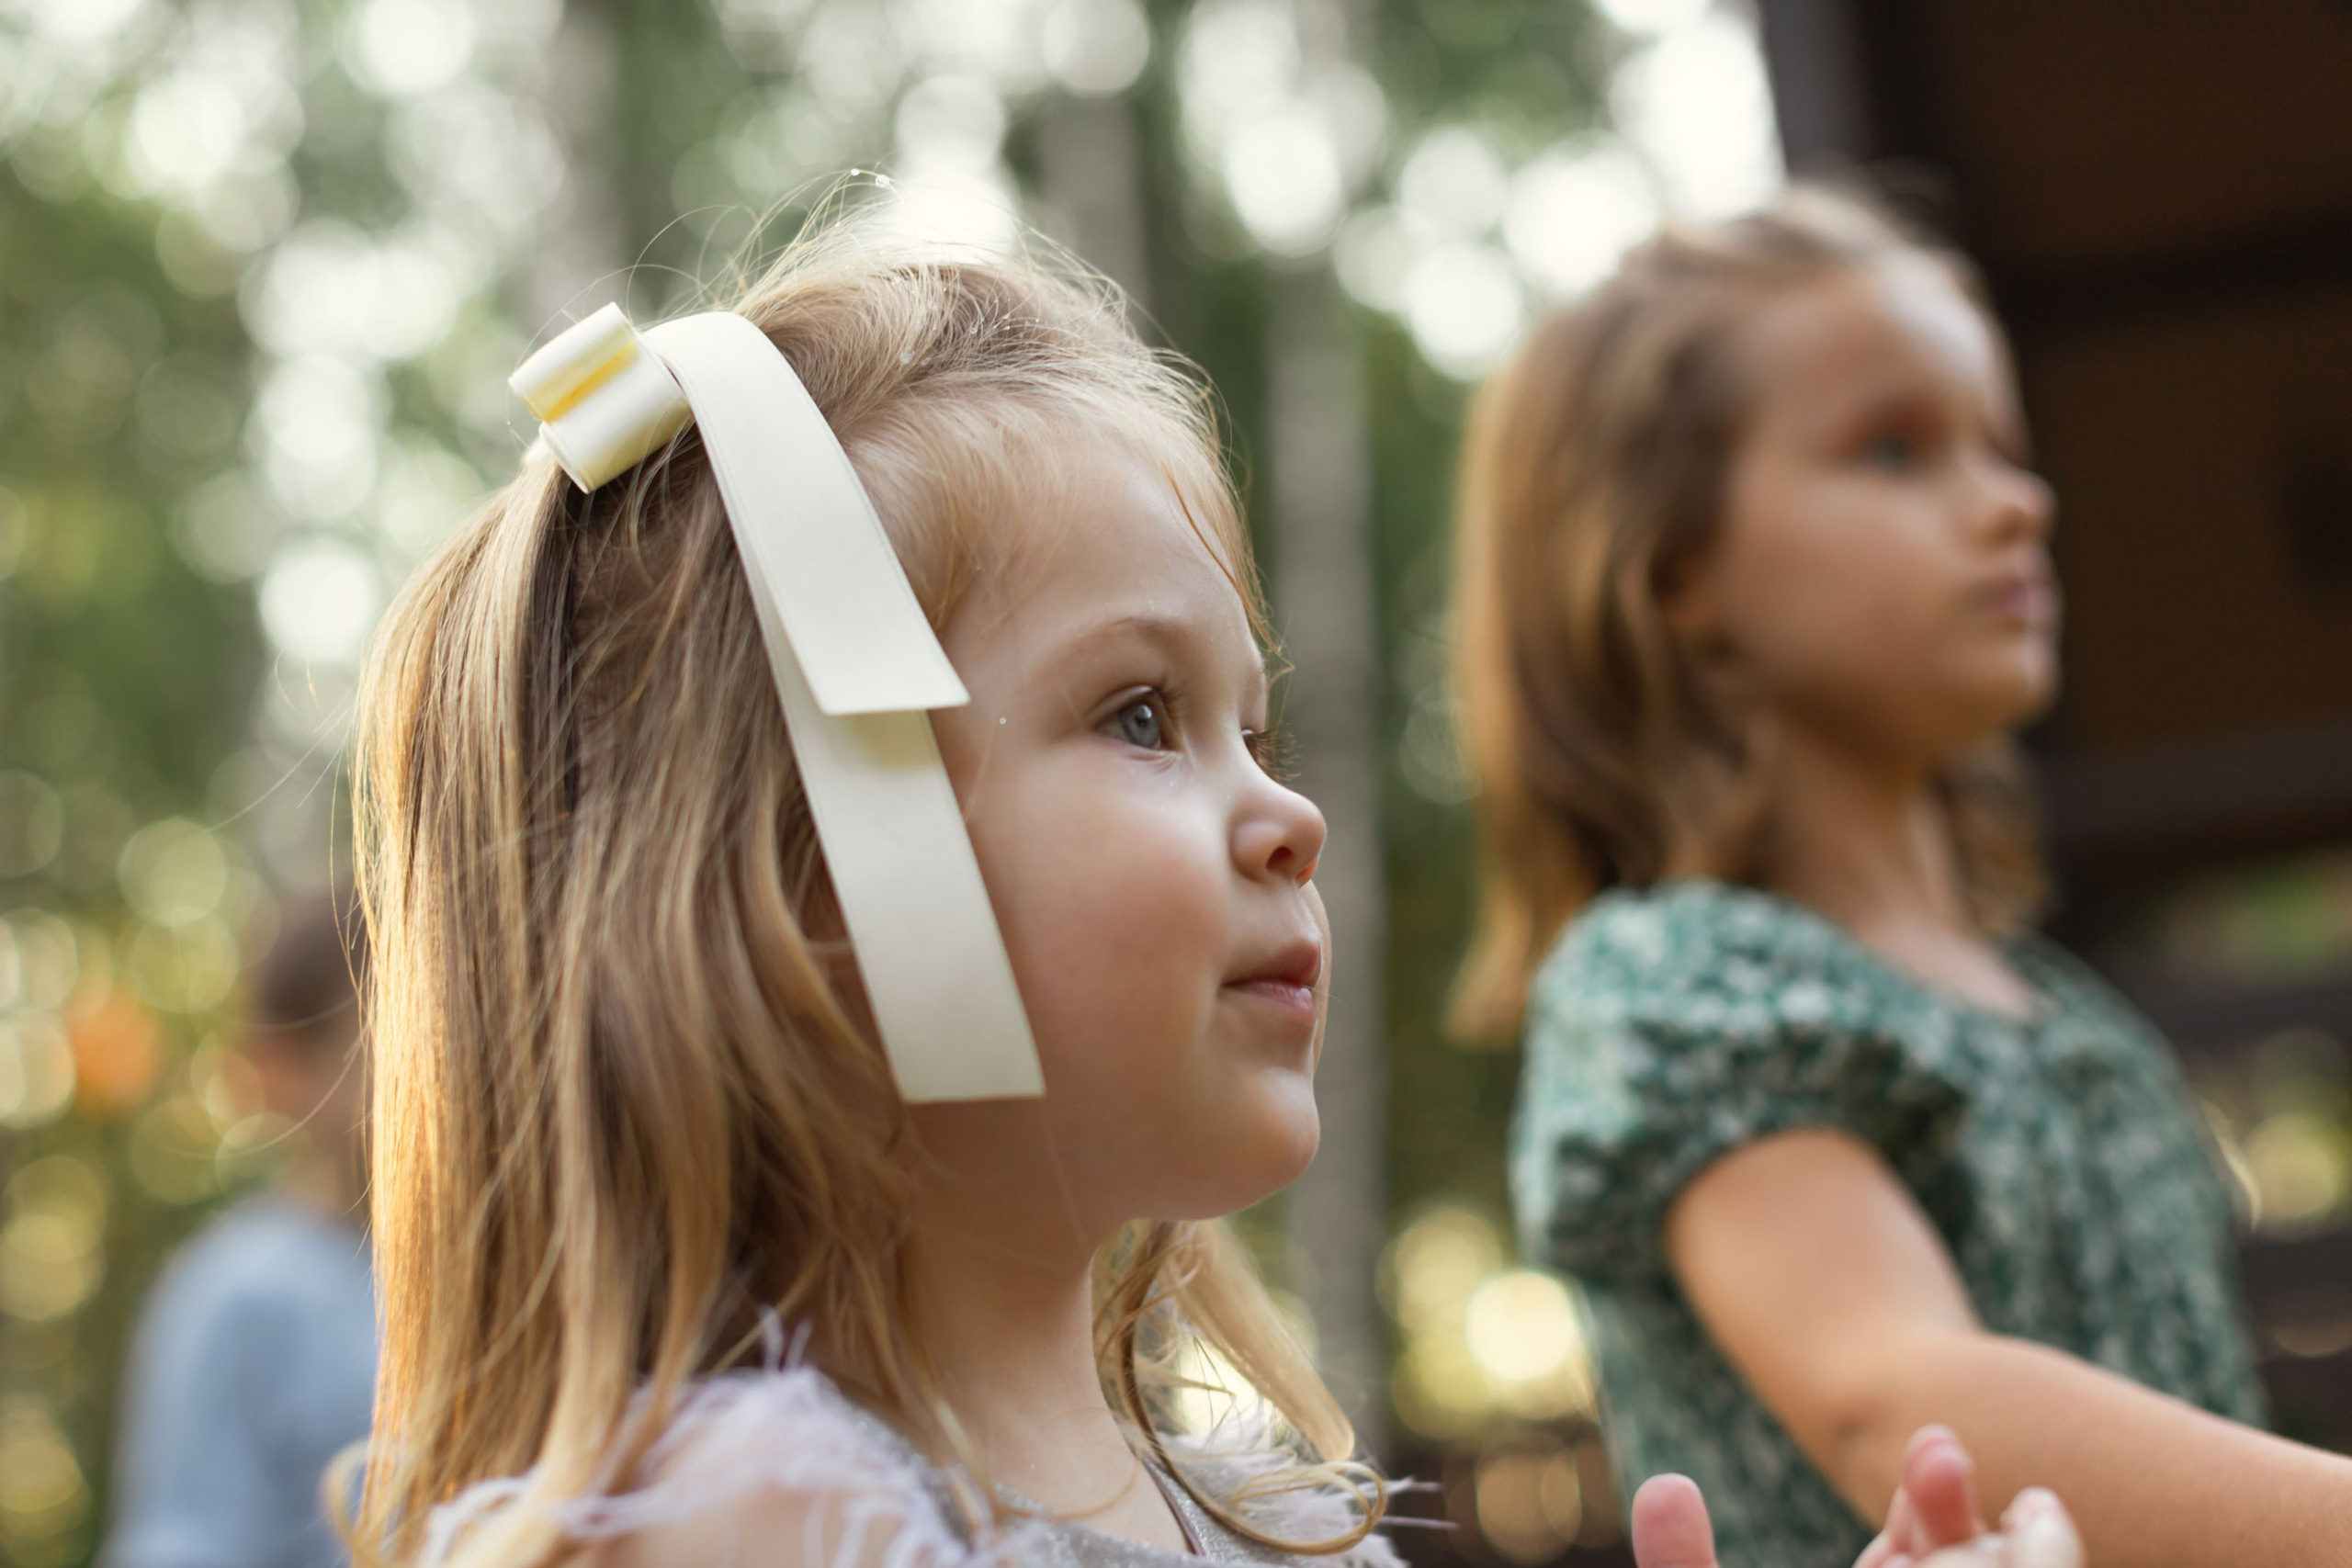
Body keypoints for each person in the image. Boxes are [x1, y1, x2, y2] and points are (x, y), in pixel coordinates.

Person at [341, 209, 2065, 1568]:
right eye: (1145, 716)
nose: (1288, 813)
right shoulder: (754, 1516)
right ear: (813, 872)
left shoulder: (1272, 1510)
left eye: (1259, 724)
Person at [1451, 182, 2352, 1567]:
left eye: (2001, 446)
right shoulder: (1677, 985)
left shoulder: (2065, 1014)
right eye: (1895, 448)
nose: (2013, 502)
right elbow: (1900, 1399)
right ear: (1675, 566)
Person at [103, 897, 376, 1568]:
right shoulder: (240, 1291)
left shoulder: (514, 1271)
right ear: (276, 1070)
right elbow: (185, 1541)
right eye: (369, 1037)